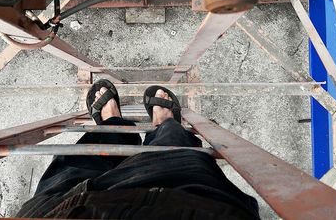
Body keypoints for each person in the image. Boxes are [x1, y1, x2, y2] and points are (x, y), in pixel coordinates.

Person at [17, 79, 260, 219]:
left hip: (60, 210)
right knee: (176, 149)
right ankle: (163, 123)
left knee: (76, 165)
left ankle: (114, 123)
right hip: (187, 206)